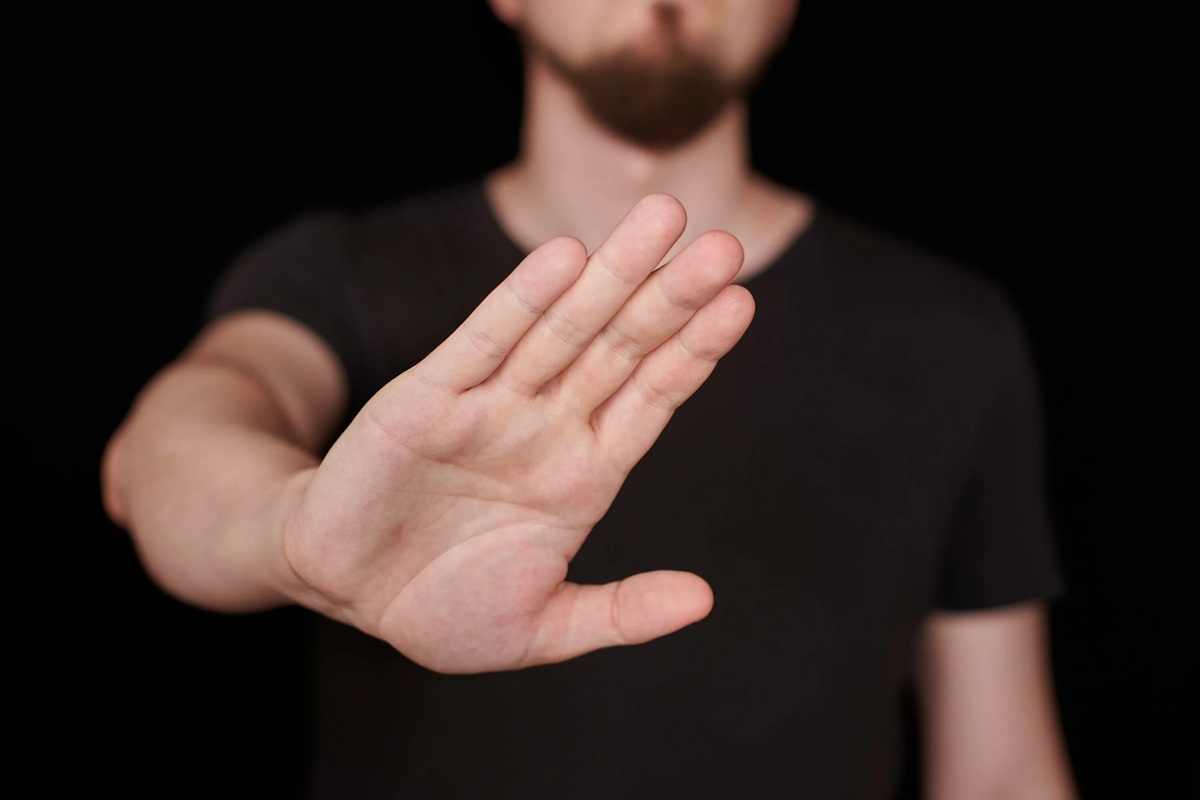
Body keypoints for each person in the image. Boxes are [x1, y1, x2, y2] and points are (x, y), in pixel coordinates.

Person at [100, 0, 1078, 797]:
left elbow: (1000, 773)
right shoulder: (344, 273)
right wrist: (295, 530)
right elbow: (174, 443)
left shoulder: (950, 330)